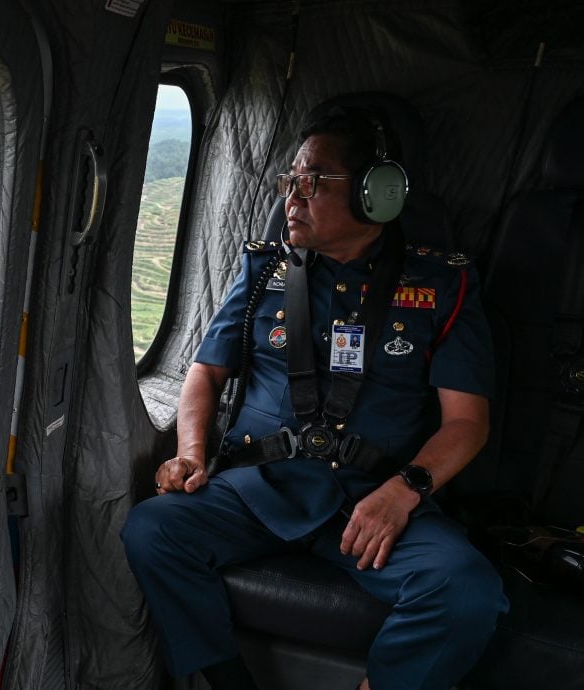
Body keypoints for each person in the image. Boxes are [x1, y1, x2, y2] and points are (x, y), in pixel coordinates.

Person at [121, 109, 508, 690]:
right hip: (259, 488)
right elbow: (205, 371)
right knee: (152, 530)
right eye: (290, 180)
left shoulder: (443, 285)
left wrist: (403, 493)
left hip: (370, 500)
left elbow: (467, 421)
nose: (292, 197)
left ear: (375, 195)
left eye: (313, 180)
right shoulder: (263, 268)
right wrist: (193, 454)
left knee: (467, 589)